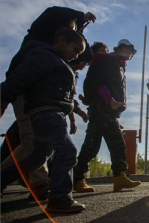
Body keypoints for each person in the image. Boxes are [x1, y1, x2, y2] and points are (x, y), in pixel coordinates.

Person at [1, 28, 87, 212]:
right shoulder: (45, 56)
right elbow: (20, 77)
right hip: (47, 113)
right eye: (75, 50)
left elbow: (66, 97)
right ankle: (60, 200)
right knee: (68, 151)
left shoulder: (60, 63)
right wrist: (3, 99)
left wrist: (77, 111)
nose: (76, 56)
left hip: (51, 114)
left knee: (36, 158)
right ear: (61, 41)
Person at [73, 39, 141, 193]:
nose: (129, 52)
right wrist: (108, 100)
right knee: (101, 145)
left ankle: (118, 177)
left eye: (131, 51)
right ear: (118, 49)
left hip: (108, 112)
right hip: (102, 109)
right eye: (126, 49)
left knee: (106, 144)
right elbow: (96, 83)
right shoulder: (107, 62)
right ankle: (79, 178)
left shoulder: (116, 64)